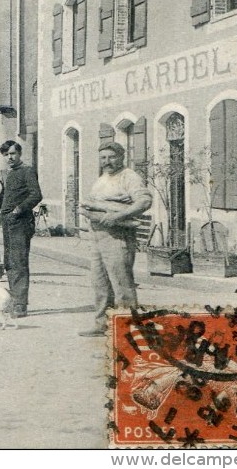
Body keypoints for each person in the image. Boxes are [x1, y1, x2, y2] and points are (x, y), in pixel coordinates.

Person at [78, 143, 153, 337]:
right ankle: (102, 323)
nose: (107, 162)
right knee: (100, 282)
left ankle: (128, 328)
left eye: (111, 157)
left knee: (121, 283)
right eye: (103, 158)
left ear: (122, 156)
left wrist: (117, 216)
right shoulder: (102, 178)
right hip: (97, 237)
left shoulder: (129, 176)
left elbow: (144, 201)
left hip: (118, 236)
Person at [0, 141, 42, 319]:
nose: (10, 157)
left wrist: (19, 209)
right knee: (9, 262)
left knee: (19, 262)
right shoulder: (8, 173)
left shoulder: (27, 171)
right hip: (8, 222)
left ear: (19, 153)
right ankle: (14, 301)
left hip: (20, 222)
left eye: (13, 153)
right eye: (6, 154)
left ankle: (21, 305)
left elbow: (36, 195)